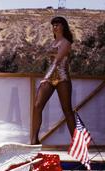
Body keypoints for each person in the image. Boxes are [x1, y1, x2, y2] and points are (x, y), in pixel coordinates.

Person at [31, 16, 75, 145]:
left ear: (63, 26)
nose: (55, 26)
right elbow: (50, 62)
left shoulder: (66, 42)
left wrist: (45, 78)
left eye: (58, 24)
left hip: (62, 78)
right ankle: (34, 140)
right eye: (53, 25)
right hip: (50, 78)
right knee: (37, 105)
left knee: (67, 110)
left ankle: (77, 142)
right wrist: (47, 77)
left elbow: (56, 61)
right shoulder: (53, 42)